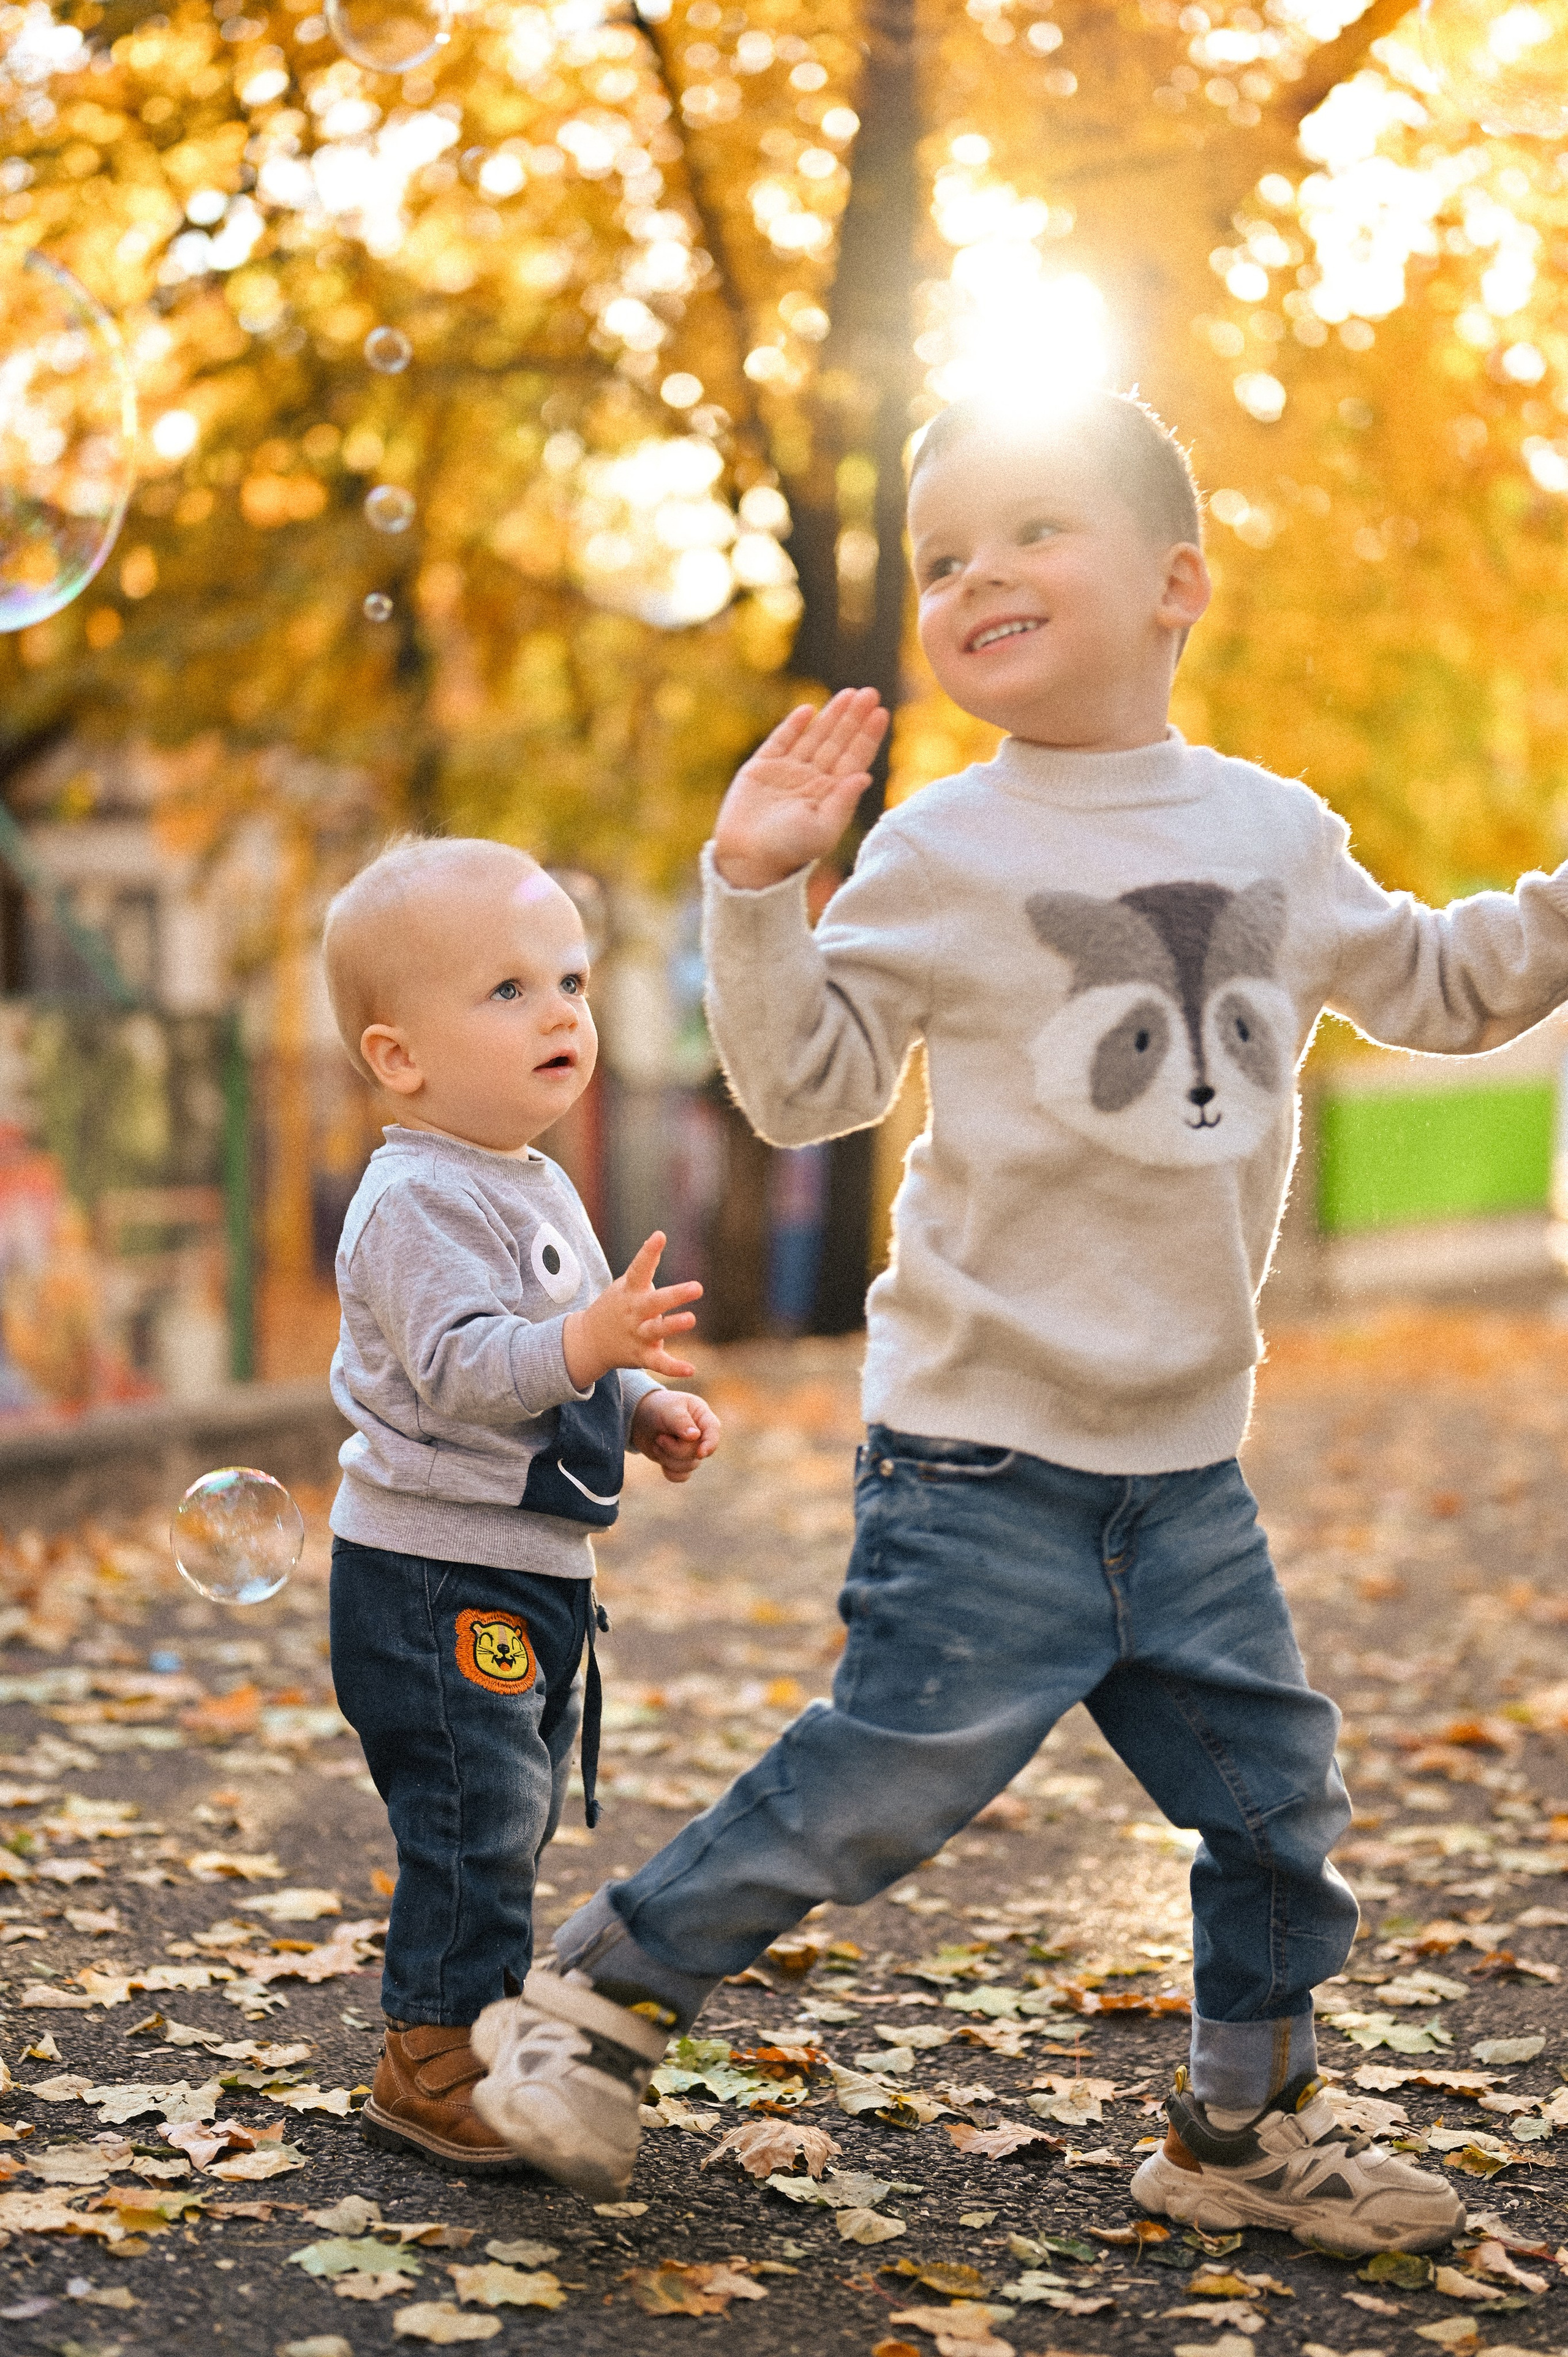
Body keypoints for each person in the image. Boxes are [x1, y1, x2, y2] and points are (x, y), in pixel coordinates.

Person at [470, 389, 1568, 2241]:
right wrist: (758, 890)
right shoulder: (937, 853)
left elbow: (1446, 987)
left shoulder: (1277, 831)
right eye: (942, 558)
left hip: (1185, 1471)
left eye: (1031, 530)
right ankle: (590, 2004)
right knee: (880, 1792)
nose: (977, 574)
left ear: (1175, 583)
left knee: (1277, 1807)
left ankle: (1240, 2139)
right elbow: (808, 1086)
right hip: (983, 1454)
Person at [320, 835, 720, 2173]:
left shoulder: (531, 1178)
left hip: (528, 1569)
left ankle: (476, 2020)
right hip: (434, 1576)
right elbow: (462, 1368)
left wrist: (637, 1407)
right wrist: (587, 1348)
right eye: (506, 990)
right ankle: (429, 2049)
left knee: (516, 1801)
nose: (559, 1010)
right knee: (472, 1807)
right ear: (398, 1058)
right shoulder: (413, 1198)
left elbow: (555, 1362)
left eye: (569, 978)